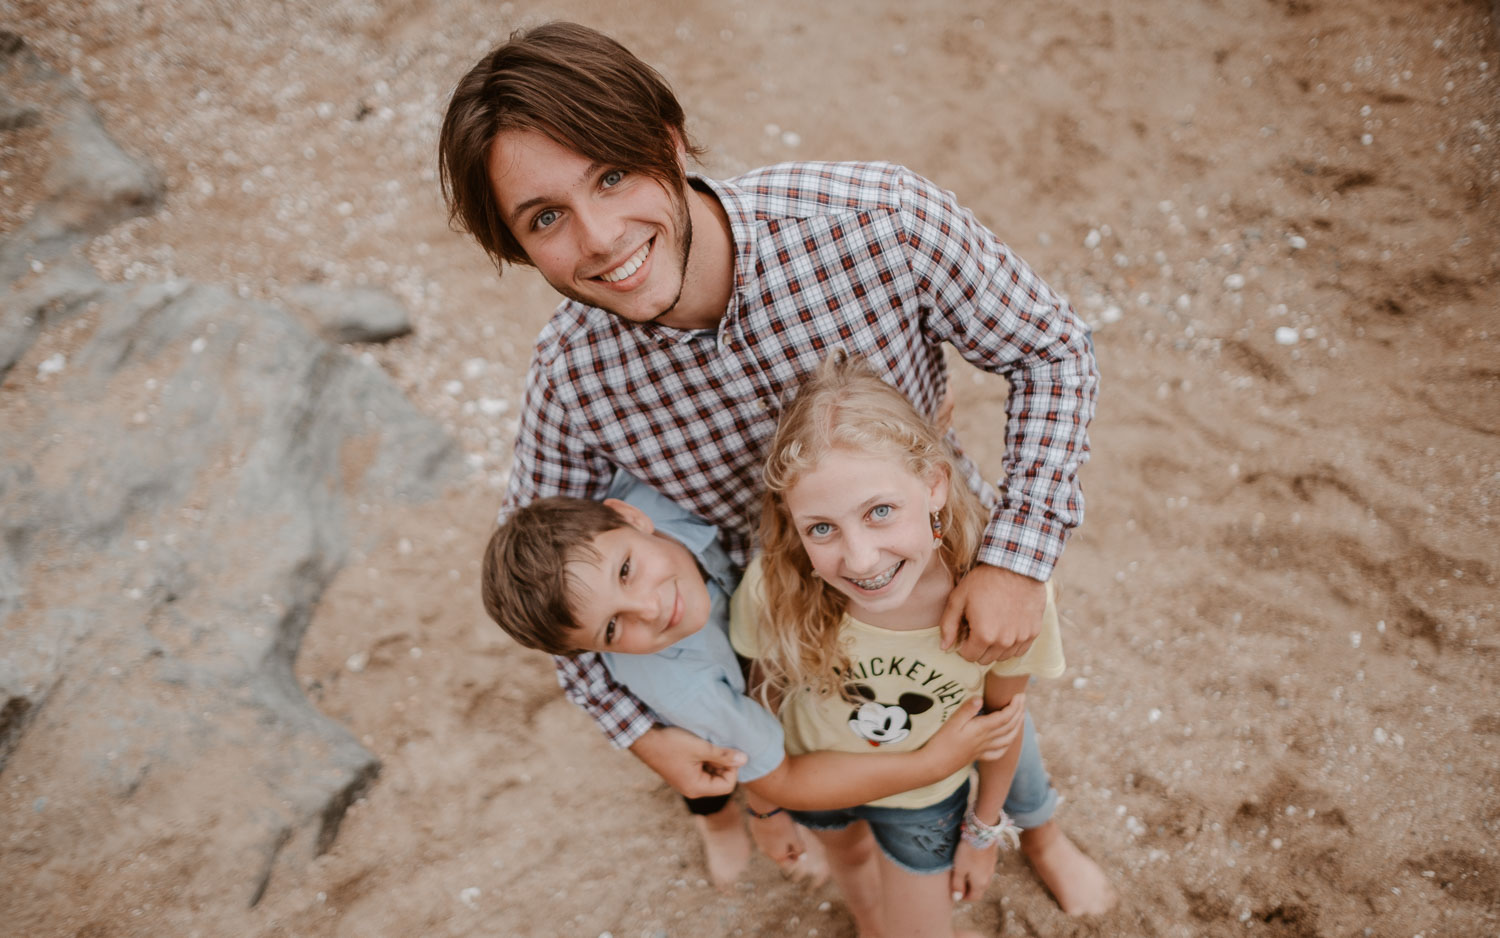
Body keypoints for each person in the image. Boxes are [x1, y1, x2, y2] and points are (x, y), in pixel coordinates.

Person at [438, 21, 1113, 914]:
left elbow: (1052, 351)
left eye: (611, 174)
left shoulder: (876, 220)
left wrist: (1019, 559)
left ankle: (1042, 831)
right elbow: (543, 585)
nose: (600, 238)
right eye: (546, 218)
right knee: (851, 805)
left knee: (996, 722)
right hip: (783, 634)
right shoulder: (572, 378)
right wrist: (643, 735)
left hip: (931, 571)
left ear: (669, 141)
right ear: (518, 247)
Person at [481, 469, 1025, 889]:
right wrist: (927, 764)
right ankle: (717, 823)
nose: (650, 608)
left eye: (626, 570)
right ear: (590, 654)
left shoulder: (655, 492)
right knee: (712, 769)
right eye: (613, 627)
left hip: (779, 639)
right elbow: (779, 777)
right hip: (732, 706)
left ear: (630, 517)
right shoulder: (689, 693)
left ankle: (1039, 824)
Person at [730, 352, 1092, 936]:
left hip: (926, 800)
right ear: (793, 522)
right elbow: (759, 696)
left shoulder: (1005, 604)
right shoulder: (776, 585)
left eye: (880, 512)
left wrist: (982, 833)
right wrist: (767, 808)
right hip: (816, 778)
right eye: (821, 527)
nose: (860, 558)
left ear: (934, 486)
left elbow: (1005, 722)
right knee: (853, 871)